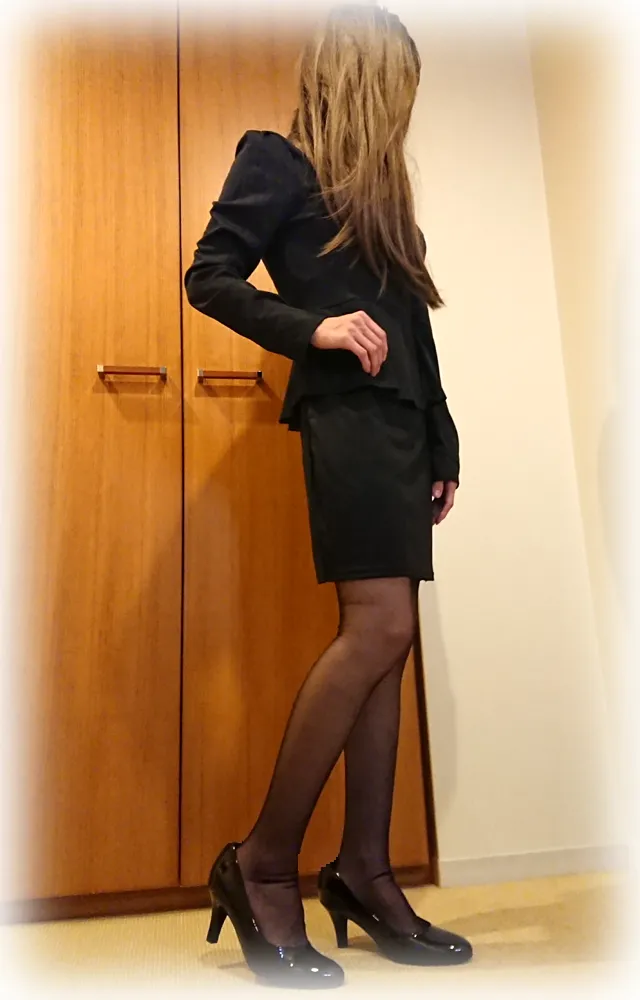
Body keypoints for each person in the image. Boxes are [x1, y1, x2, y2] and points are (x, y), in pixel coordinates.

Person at [184, 3, 470, 988]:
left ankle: (364, 870)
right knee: (376, 630)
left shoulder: (381, 204)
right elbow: (209, 278)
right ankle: (263, 863)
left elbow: (416, 333)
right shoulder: (277, 161)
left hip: (403, 429)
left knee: (390, 645)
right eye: (395, 89)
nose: (402, 111)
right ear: (362, 81)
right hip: (347, 417)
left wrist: (443, 442)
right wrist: (315, 327)